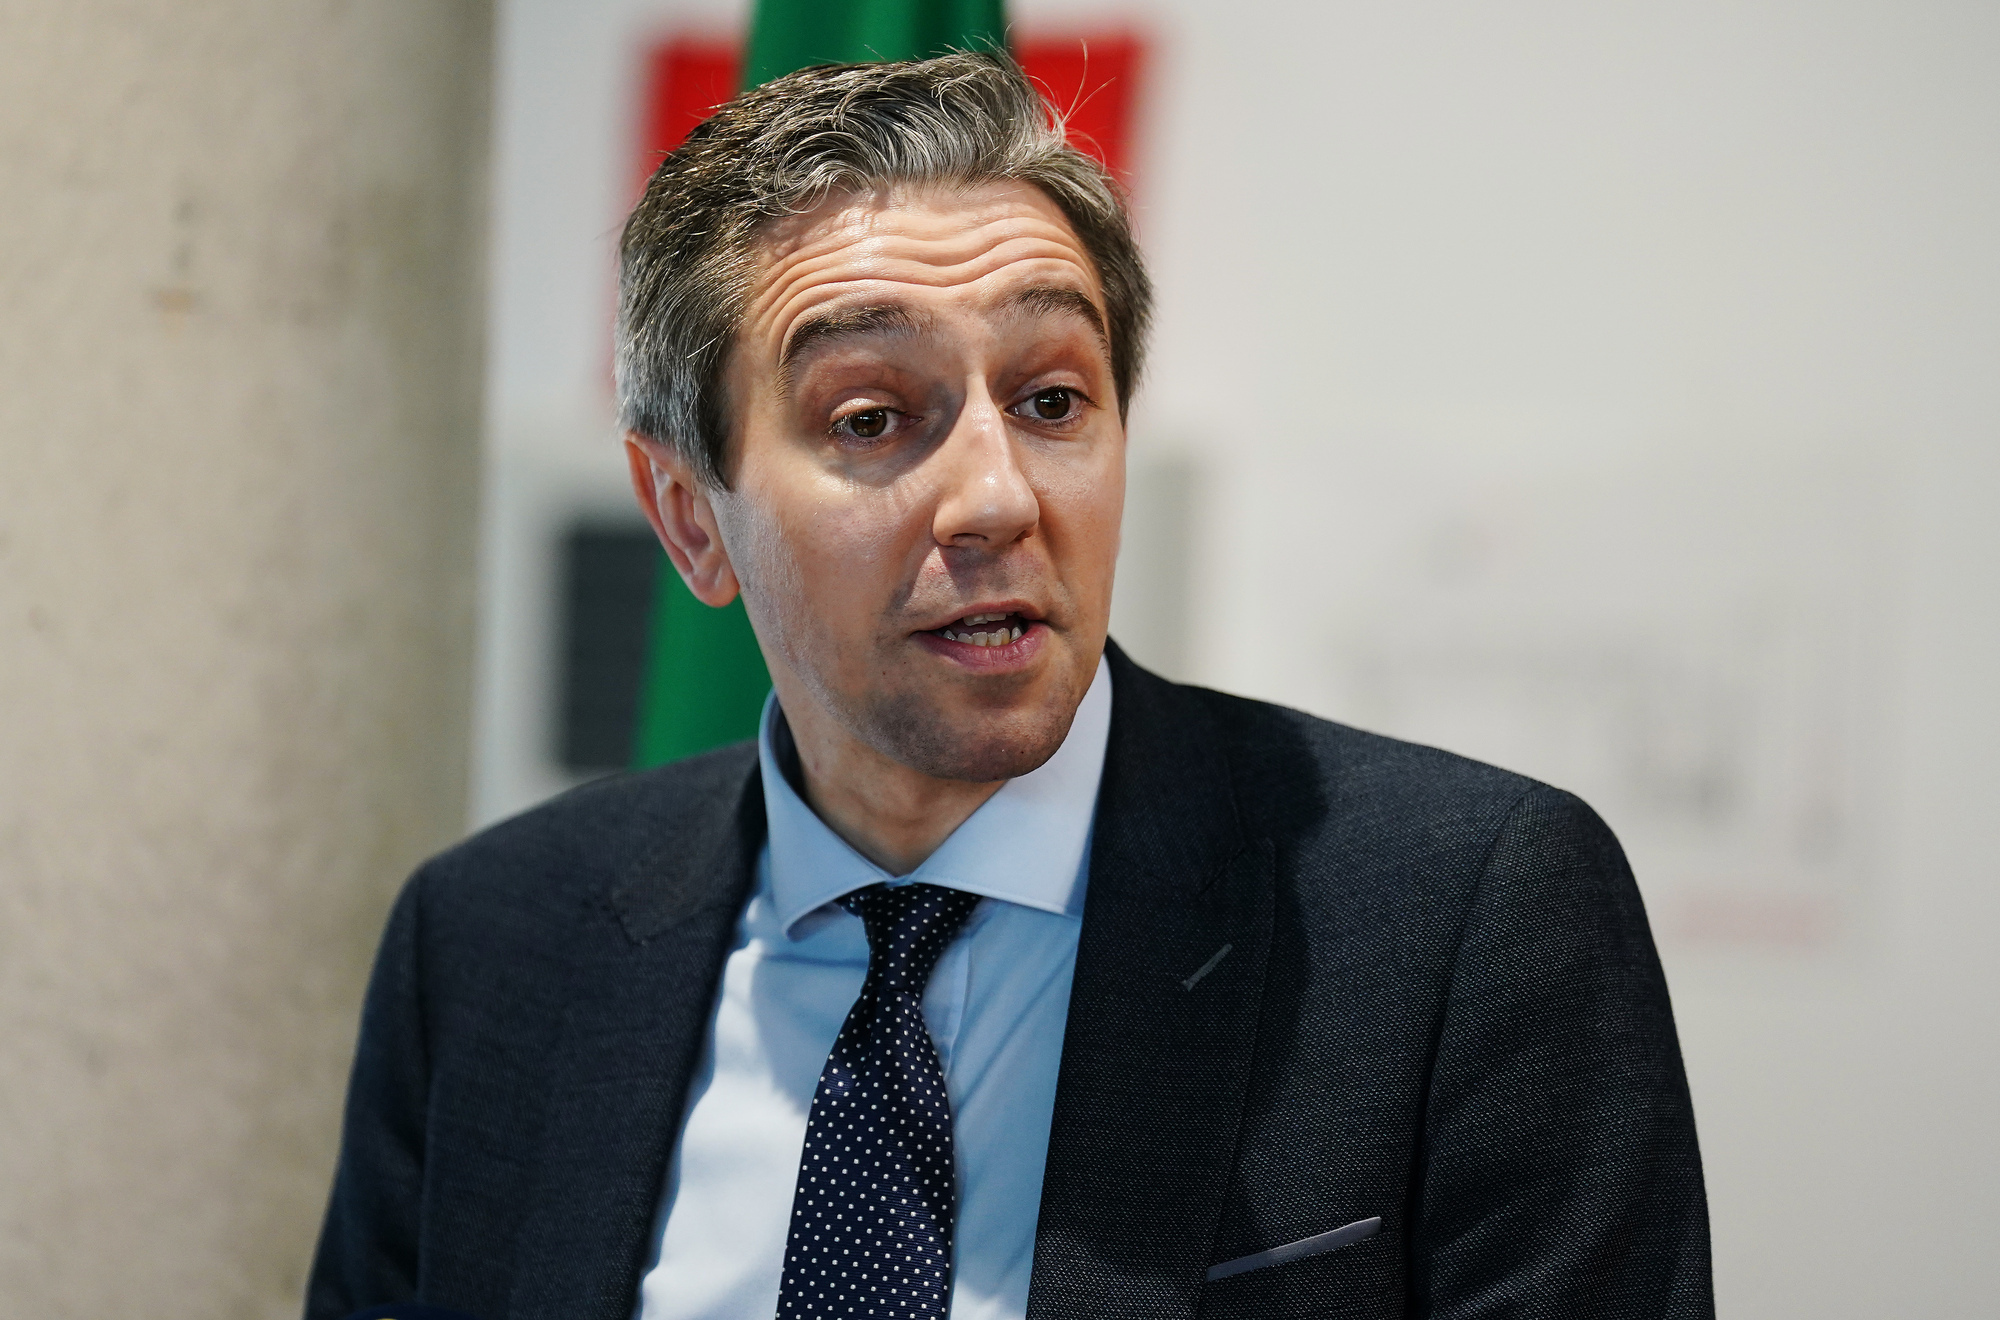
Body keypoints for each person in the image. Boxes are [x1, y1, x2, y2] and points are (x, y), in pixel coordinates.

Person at [306, 51, 1712, 1320]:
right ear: (689, 518)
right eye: (872, 418)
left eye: (1051, 400)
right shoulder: (492, 947)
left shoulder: (1464, 917)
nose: (996, 496)